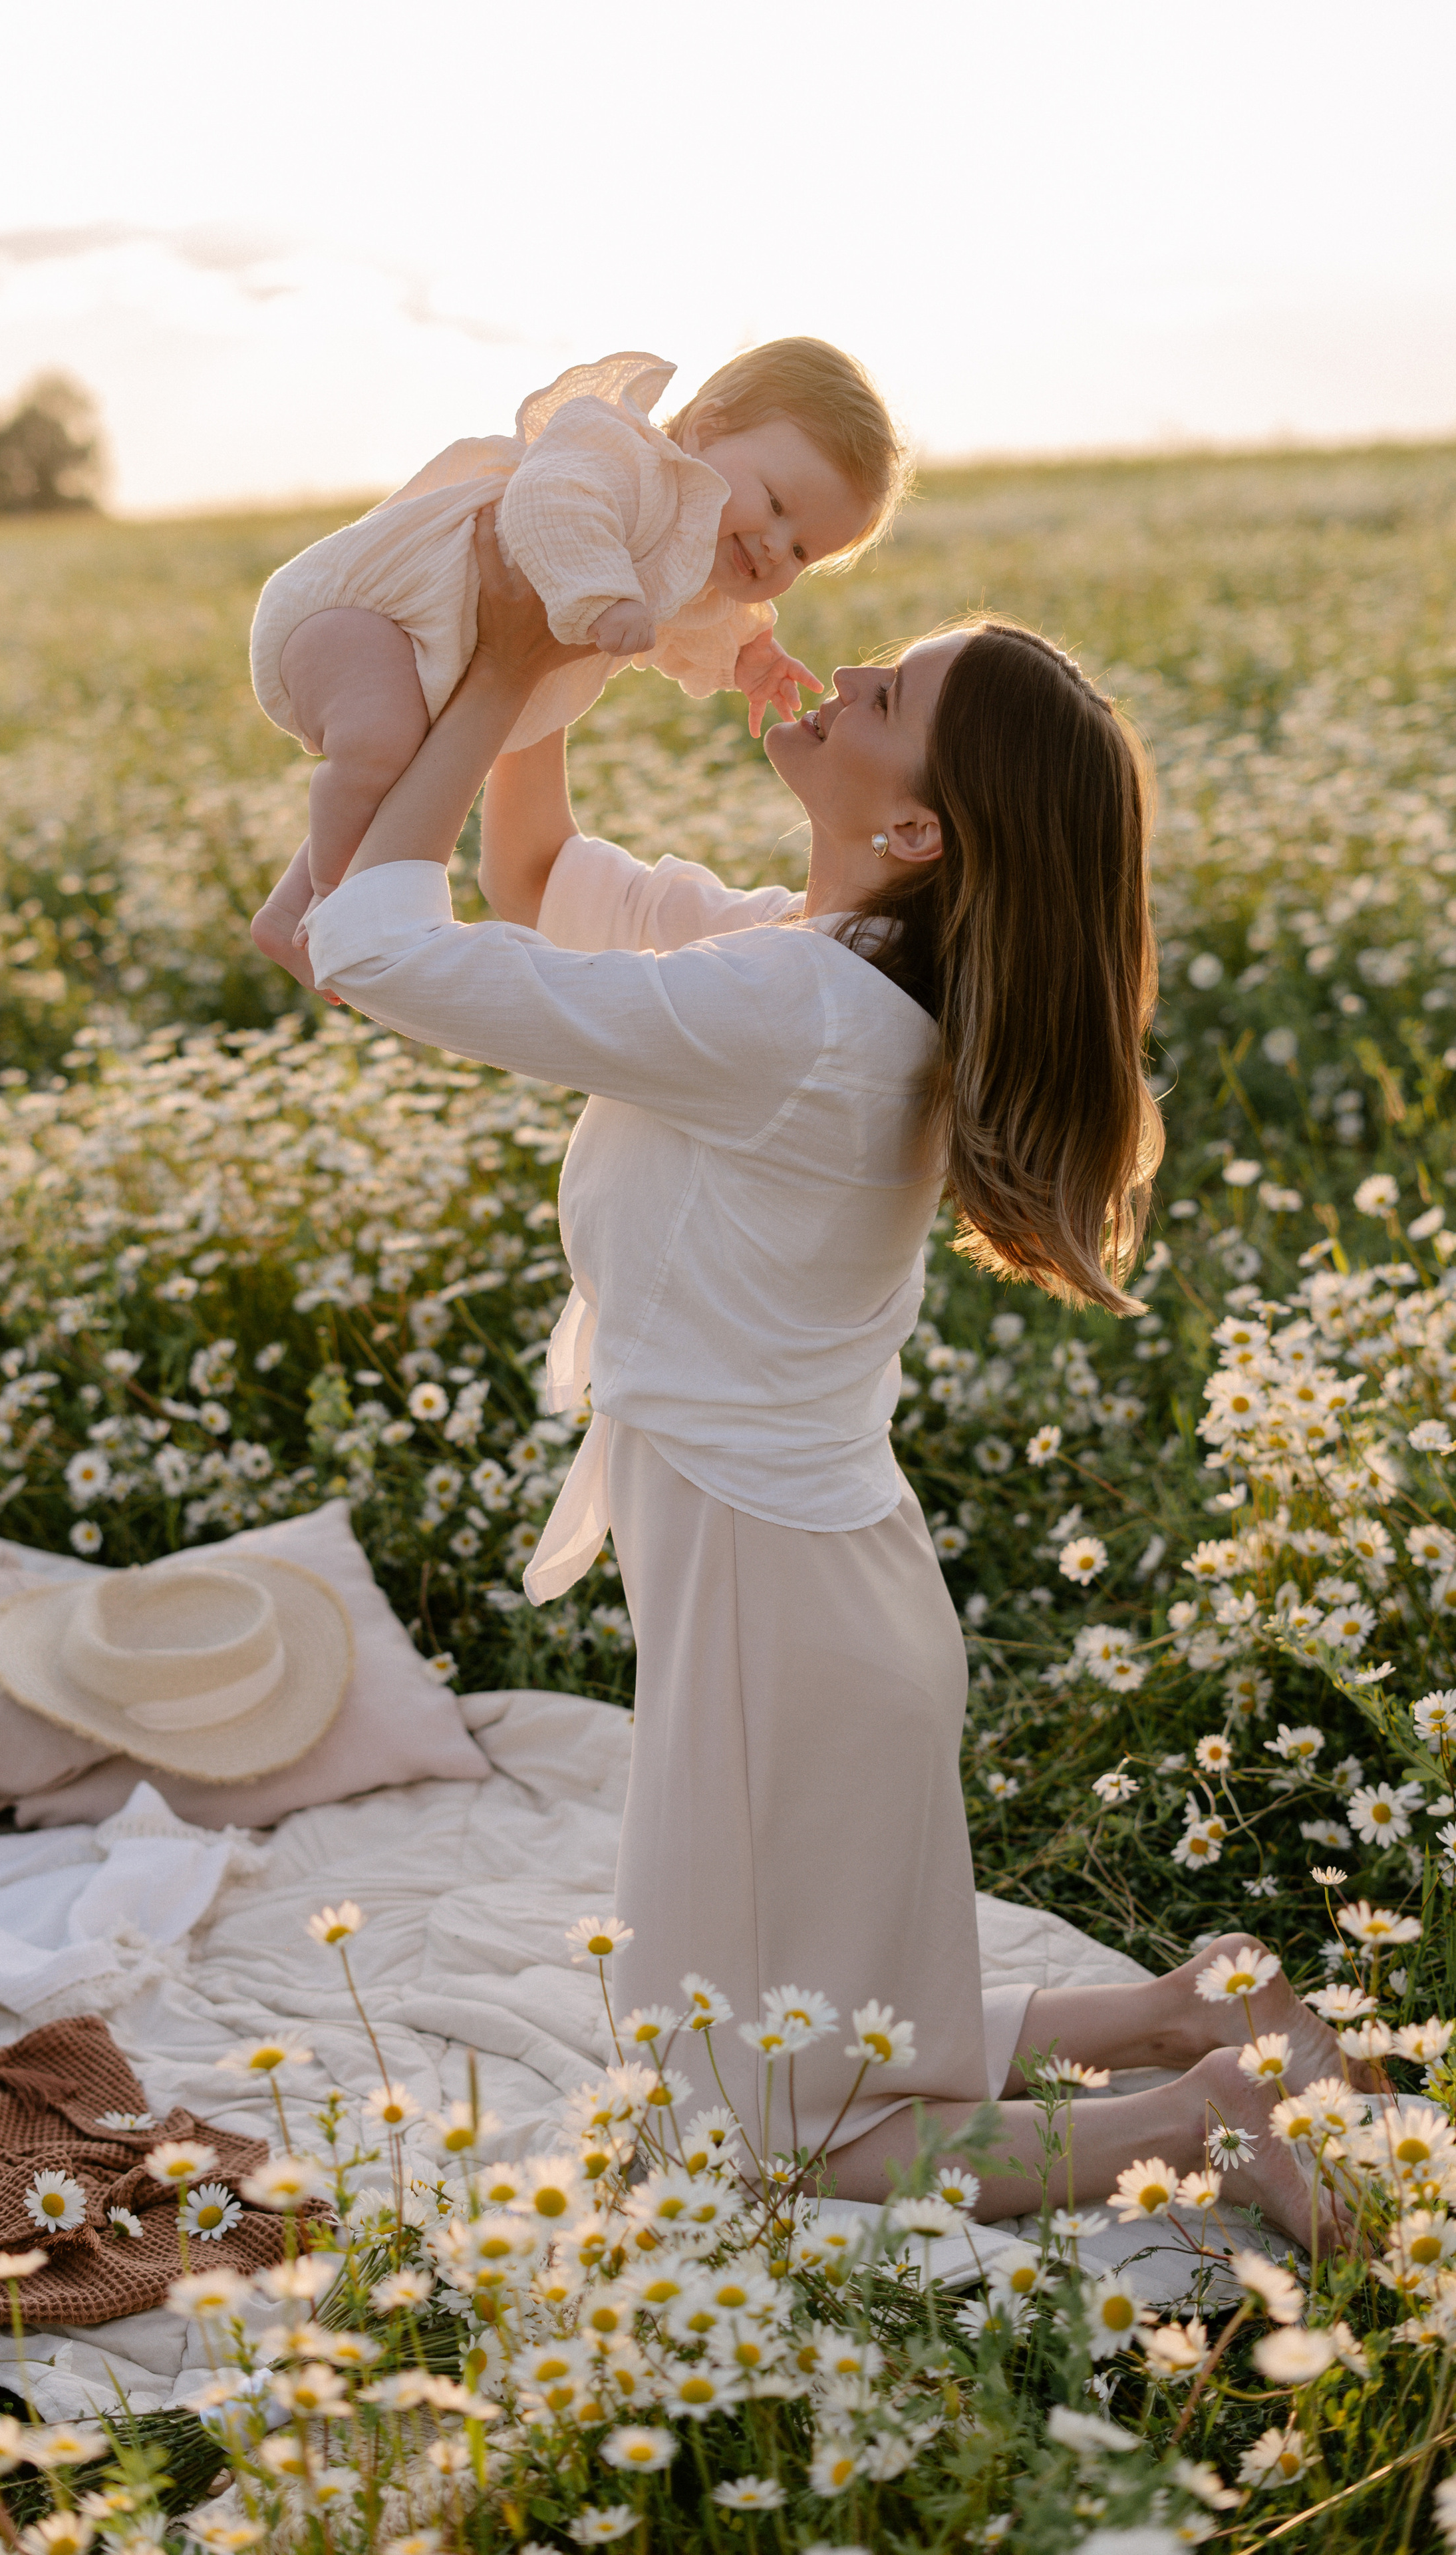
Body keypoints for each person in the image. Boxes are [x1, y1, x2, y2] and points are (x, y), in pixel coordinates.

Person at [257, 514, 1353, 2242]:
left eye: (888, 691)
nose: (840, 668)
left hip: (782, 1611)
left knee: (756, 2138)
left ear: (914, 829)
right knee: (811, 2054)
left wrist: (487, 680)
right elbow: (541, 882)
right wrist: (558, 658)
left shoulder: (791, 1010)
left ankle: (1199, 2116)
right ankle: (1193, 2010)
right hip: (811, 1592)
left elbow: (376, 948)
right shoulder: (823, 964)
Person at [247, 342, 903, 975]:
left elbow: (696, 633)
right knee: (381, 749)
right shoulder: (623, 457)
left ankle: (286, 914)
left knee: (395, 772)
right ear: (708, 428)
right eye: (777, 504)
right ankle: (335, 903)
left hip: (420, 667)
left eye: (801, 553)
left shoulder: (700, 566)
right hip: (361, 616)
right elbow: (549, 500)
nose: (775, 547)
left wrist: (747, 661)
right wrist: (603, 595)